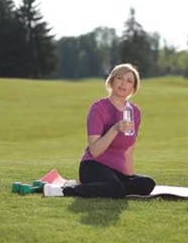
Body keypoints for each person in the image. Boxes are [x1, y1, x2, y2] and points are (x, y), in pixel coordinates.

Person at [43, 64, 156, 197]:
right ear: (112, 81)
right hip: (93, 166)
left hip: (117, 172)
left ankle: (103, 188)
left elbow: (129, 150)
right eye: (119, 78)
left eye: (129, 81)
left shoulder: (135, 112)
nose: (123, 83)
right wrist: (115, 128)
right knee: (115, 187)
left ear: (133, 88)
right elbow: (95, 151)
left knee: (147, 183)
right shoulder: (98, 108)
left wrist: (130, 178)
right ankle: (63, 191)